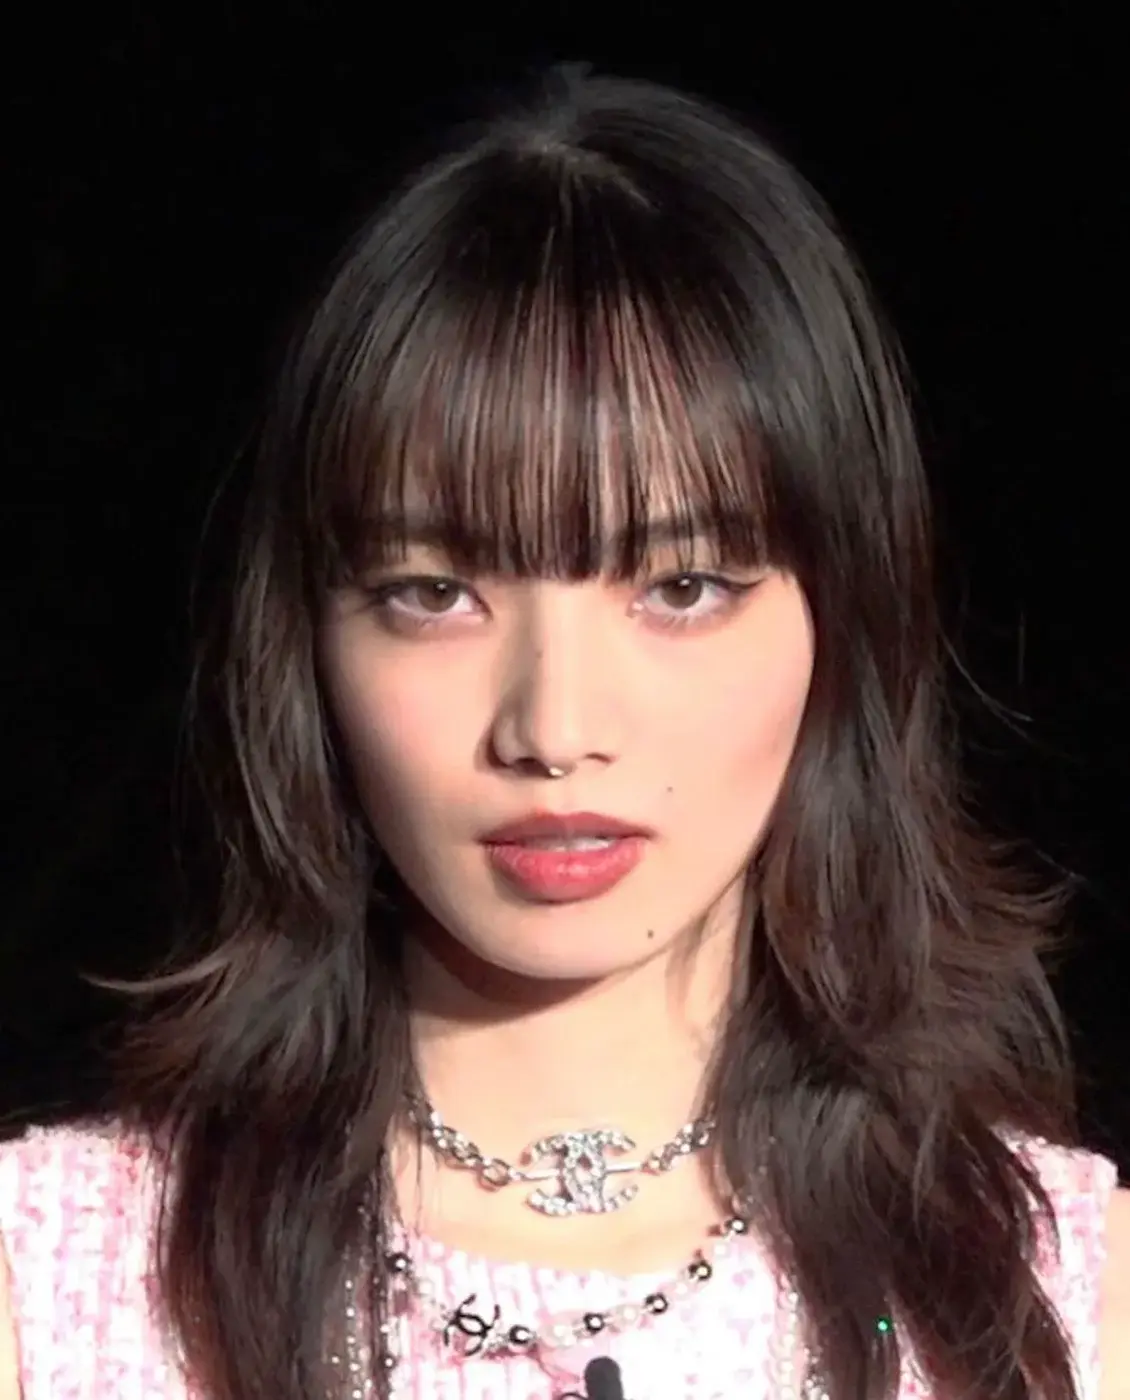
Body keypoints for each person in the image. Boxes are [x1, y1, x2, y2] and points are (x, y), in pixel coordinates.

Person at [0, 64, 1126, 1400]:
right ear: (308, 644)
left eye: (680, 587)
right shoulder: (47, 1289)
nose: (553, 727)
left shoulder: (1072, 1300)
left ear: (849, 621)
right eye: (434, 593)